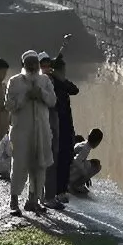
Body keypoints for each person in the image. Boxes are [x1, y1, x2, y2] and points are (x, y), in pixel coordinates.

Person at [4, 50, 56, 216]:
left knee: (40, 166)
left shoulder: (45, 80)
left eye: (35, 63)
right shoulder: (15, 82)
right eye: (29, 63)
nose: (33, 66)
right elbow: (9, 105)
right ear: (23, 65)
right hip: (21, 132)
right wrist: (25, 97)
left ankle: (33, 201)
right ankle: (14, 201)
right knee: (19, 165)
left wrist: (40, 93)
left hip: (41, 131)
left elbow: (53, 101)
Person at [47, 52, 79, 206]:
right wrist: (59, 80)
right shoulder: (51, 84)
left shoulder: (61, 83)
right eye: (63, 71)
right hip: (56, 126)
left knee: (66, 157)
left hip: (66, 126)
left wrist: (62, 79)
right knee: (57, 160)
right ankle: (56, 192)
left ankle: (62, 190)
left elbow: (75, 89)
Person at [68, 128, 103, 194]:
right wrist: (85, 174)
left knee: (95, 162)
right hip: (69, 172)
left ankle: (76, 183)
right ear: (97, 142)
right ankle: (76, 184)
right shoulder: (86, 148)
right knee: (97, 166)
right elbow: (76, 161)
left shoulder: (84, 144)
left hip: (68, 169)